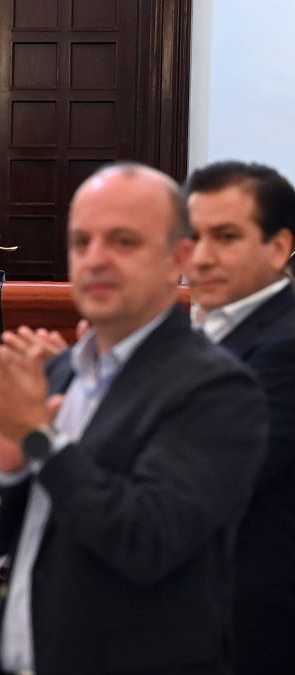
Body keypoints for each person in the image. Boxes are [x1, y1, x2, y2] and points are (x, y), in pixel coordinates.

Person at [0, 163, 266, 674]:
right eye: (82, 242)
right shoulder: (59, 371)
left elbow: (145, 541)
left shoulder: (218, 389)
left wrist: (40, 441)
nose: (96, 260)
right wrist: (7, 467)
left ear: (178, 257)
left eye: (123, 242)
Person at [184, 161, 295, 674]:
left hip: (247, 624)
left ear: (278, 247)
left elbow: (202, 483)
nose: (201, 257)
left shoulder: (285, 345)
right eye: (193, 236)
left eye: (225, 237)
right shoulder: (198, 329)